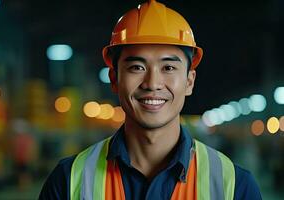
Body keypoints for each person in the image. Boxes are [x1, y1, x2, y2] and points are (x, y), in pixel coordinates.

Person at [39, 0, 262, 199]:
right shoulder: (68, 182)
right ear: (114, 79)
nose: (152, 83)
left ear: (189, 81)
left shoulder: (234, 187)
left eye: (168, 67)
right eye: (137, 67)